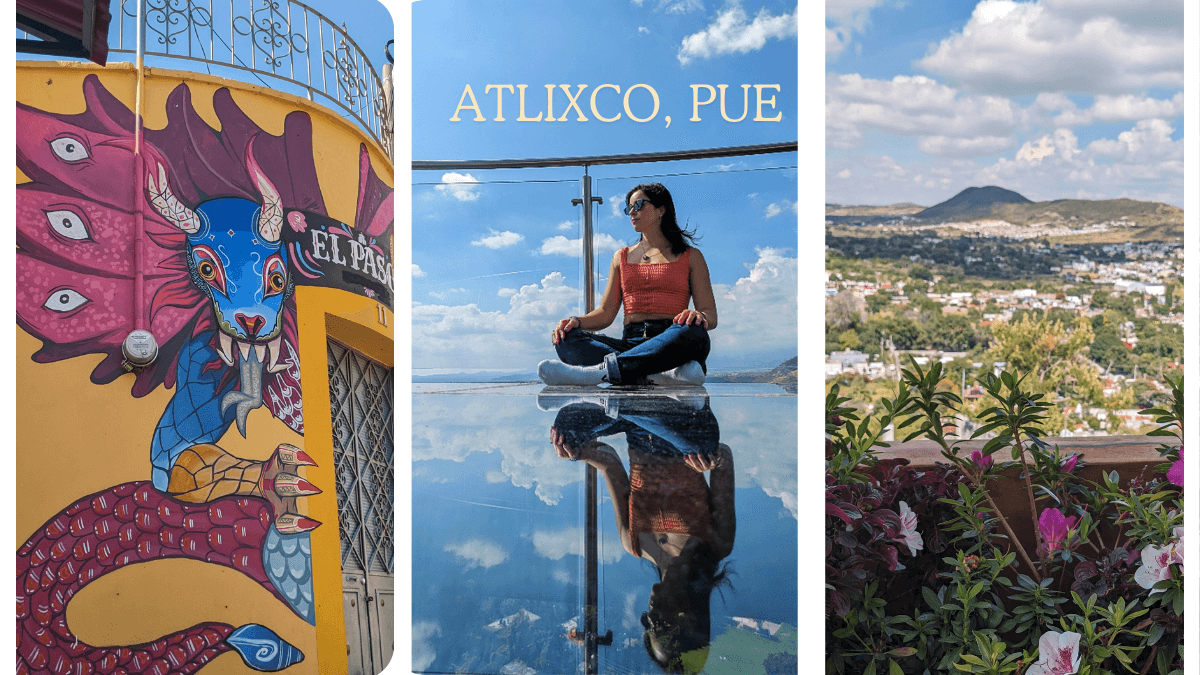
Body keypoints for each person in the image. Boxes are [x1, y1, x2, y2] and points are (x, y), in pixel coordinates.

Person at [550, 395, 735, 674]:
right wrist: (709, 461)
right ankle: (631, 395)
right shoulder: (718, 542)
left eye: (646, 623)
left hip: (636, 427)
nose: (648, 616)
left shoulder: (633, 543)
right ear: (686, 619)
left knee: (566, 426)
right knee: (702, 440)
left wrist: (576, 453)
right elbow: (723, 456)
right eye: (657, 623)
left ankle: (628, 391)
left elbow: (610, 462)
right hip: (683, 428)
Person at [538, 183, 717, 386]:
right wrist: (575, 322)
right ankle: (660, 375)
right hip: (630, 345)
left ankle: (598, 373)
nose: (632, 211)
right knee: (566, 338)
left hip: (671, 340)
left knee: (695, 332)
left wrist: (699, 316)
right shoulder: (620, 257)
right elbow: (606, 313)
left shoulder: (691, 256)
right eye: (629, 207)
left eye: (639, 204)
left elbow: (710, 315)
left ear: (661, 210)